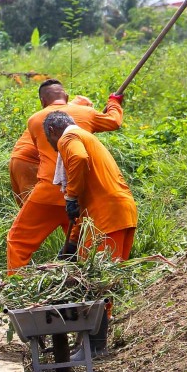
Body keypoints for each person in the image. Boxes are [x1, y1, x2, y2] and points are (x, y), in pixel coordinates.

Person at [5, 80, 124, 274]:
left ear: (43, 101)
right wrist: (114, 101)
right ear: (67, 97)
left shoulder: (35, 120)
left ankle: (15, 282)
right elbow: (114, 122)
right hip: (81, 193)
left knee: (18, 240)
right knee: (83, 242)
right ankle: (83, 279)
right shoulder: (87, 114)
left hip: (48, 192)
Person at [44, 111, 137, 262]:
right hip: (122, 213)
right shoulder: (87, 138)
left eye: (49, 141)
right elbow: (83, 206)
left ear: (52, 131)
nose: (54, 149)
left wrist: (71, 196)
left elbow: (78, 157)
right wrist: (72, 244)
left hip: (107, 217)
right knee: (112, 278)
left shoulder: (68, 137)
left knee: (98, 279)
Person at [8, 94, 94, 205]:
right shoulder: (68, 121)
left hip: (18, 160)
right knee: (36, 210)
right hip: (30, 161)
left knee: (27, 207)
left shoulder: (56, 117)